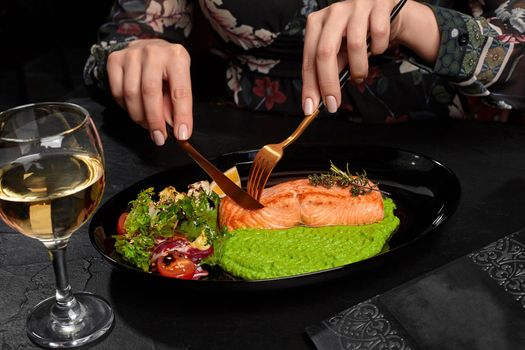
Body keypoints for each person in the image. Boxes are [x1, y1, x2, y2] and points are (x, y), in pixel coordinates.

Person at [84, 0, 525, 146]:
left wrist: (411, 21)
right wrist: (132, 52)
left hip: (456, 146)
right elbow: (120, 40)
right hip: (253, 142)